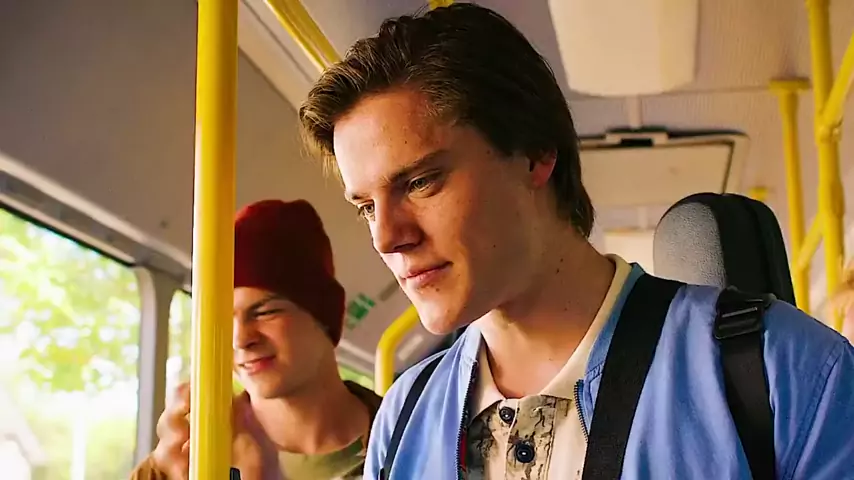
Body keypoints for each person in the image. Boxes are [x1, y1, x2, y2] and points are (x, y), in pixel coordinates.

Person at [298, 3, 854, 479]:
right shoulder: (402, 418)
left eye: (421, 182)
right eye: (366, 207)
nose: (386, 237)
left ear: (535, 153)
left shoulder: (787, 372)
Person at [130, 199, 382, 480]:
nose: (240, 339)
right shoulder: (182, 462)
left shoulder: (407, 434)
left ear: (324, 316)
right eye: (221, 321)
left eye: (265, 312)